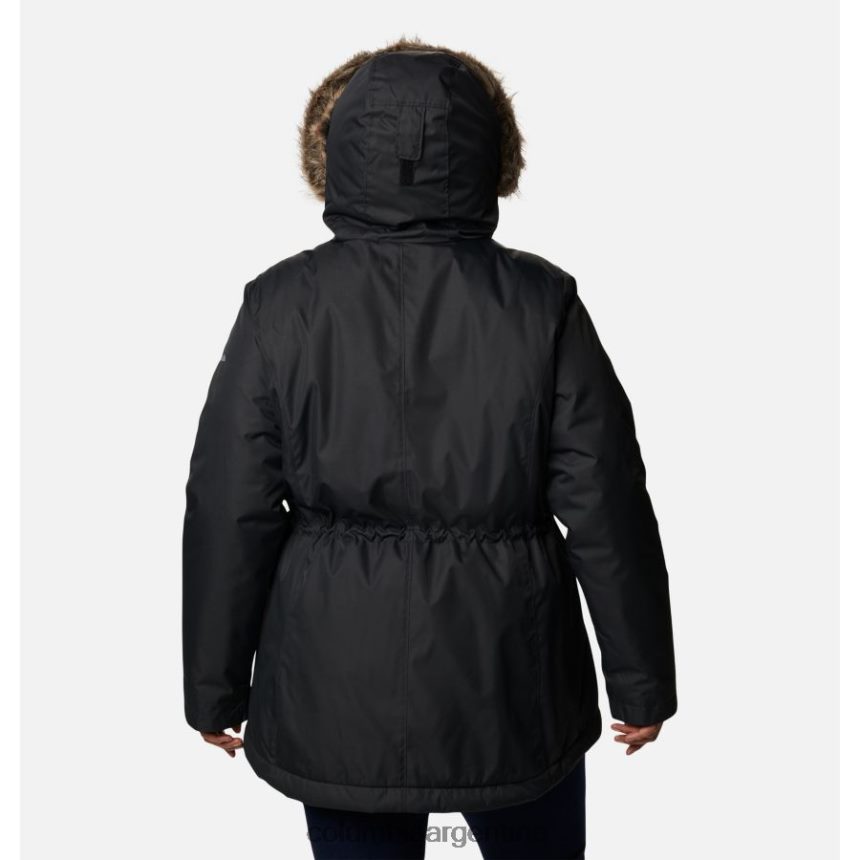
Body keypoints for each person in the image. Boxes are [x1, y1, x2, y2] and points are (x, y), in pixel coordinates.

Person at [182, 36, 678, 859]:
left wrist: (214, 685)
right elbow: (607, 499)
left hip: (339, 690)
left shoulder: (280, 305)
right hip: (509, 681)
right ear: (490, 156)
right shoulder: (542, 303)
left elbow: (229, 507)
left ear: (333, 156)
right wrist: (642, 678)